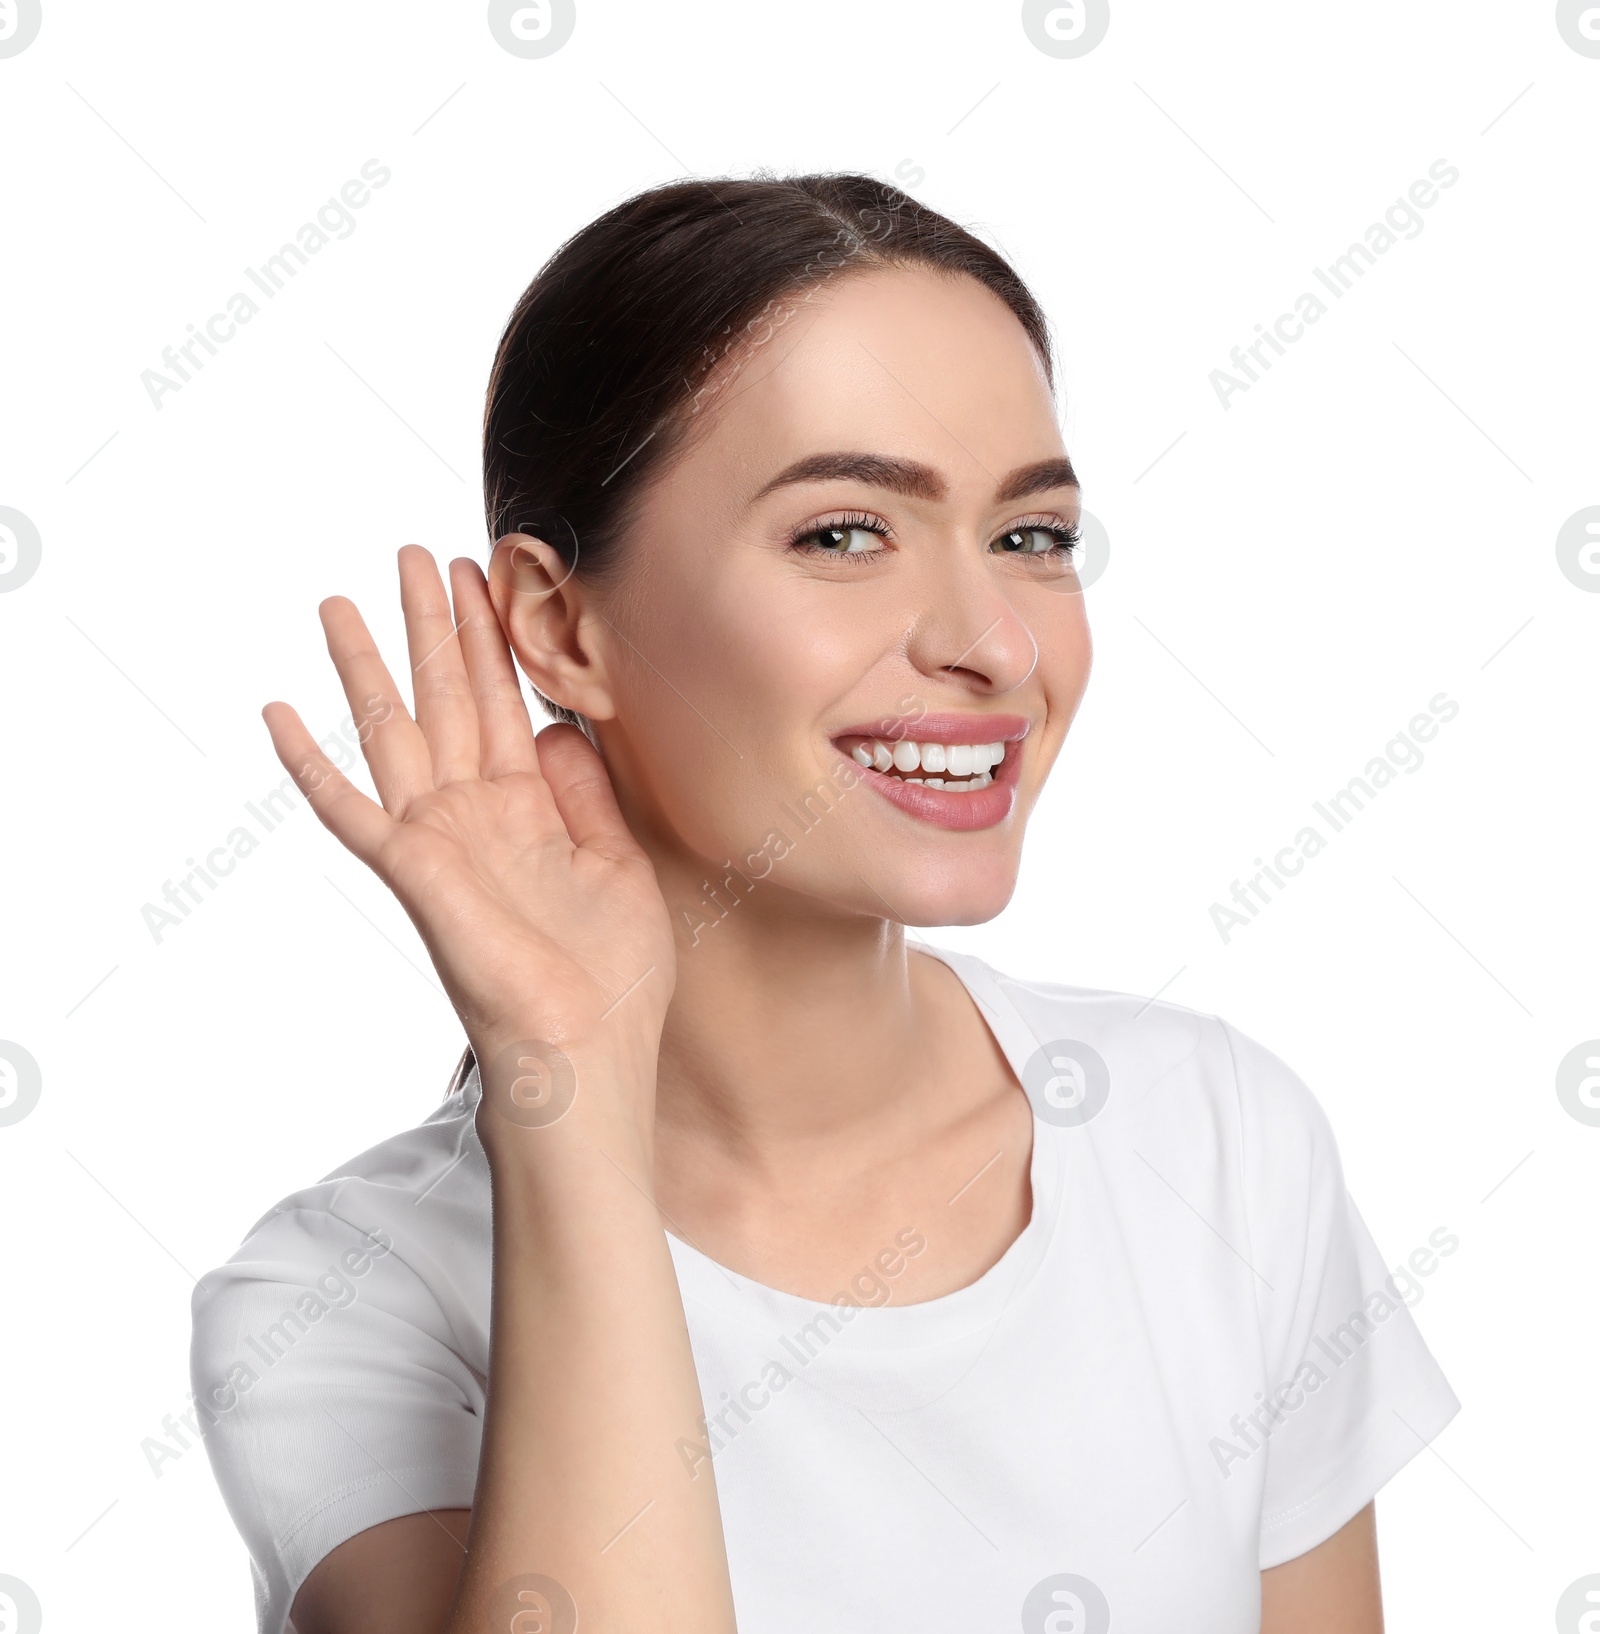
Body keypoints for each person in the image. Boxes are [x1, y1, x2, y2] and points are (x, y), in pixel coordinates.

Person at [190, 173, 1459, 1634]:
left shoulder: (1221, 1146)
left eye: (1033, 536)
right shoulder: (341, 1304)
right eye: (845, 534)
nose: (993, 645)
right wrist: (570, 1079)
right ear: (559, 621)